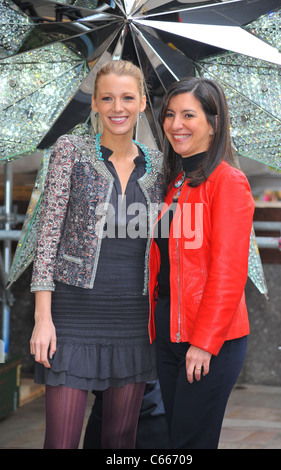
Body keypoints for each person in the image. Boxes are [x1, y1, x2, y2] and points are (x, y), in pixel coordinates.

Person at [29, 59, 164, 449]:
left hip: (134, 317)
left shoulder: (160, 165)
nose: (117, 108)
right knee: (61, 440)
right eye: (107, 98)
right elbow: (48, 232)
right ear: (95, 103)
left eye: (126, 98)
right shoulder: (69, 150)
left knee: (121, 441)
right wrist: (43, 319)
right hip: (72, 316)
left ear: (141, 103)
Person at [148, 77, 255, 449]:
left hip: (209, 339)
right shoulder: (174, 181)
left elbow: (228, 272)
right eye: (170, 114)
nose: (176, 124)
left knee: (190, 442)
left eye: (189, 115)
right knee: (175, 438)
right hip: (169, 332)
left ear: (213, 123)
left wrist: (205, 343)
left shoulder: (228, 182)